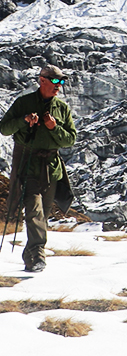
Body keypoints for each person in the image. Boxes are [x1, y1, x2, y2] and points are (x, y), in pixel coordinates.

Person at [2, 65, 77, 273]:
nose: (59, 86)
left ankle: (30, 254)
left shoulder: (61, 108)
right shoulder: (23, 103)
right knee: (34, 211)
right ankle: (37, 255)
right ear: (42, 80)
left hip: (51, 169)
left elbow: (70, 139)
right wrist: (23, 121)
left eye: (61, 82)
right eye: (55, 81)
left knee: (42, 214)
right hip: (27, 166)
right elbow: (5, 128)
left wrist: (54, 128)